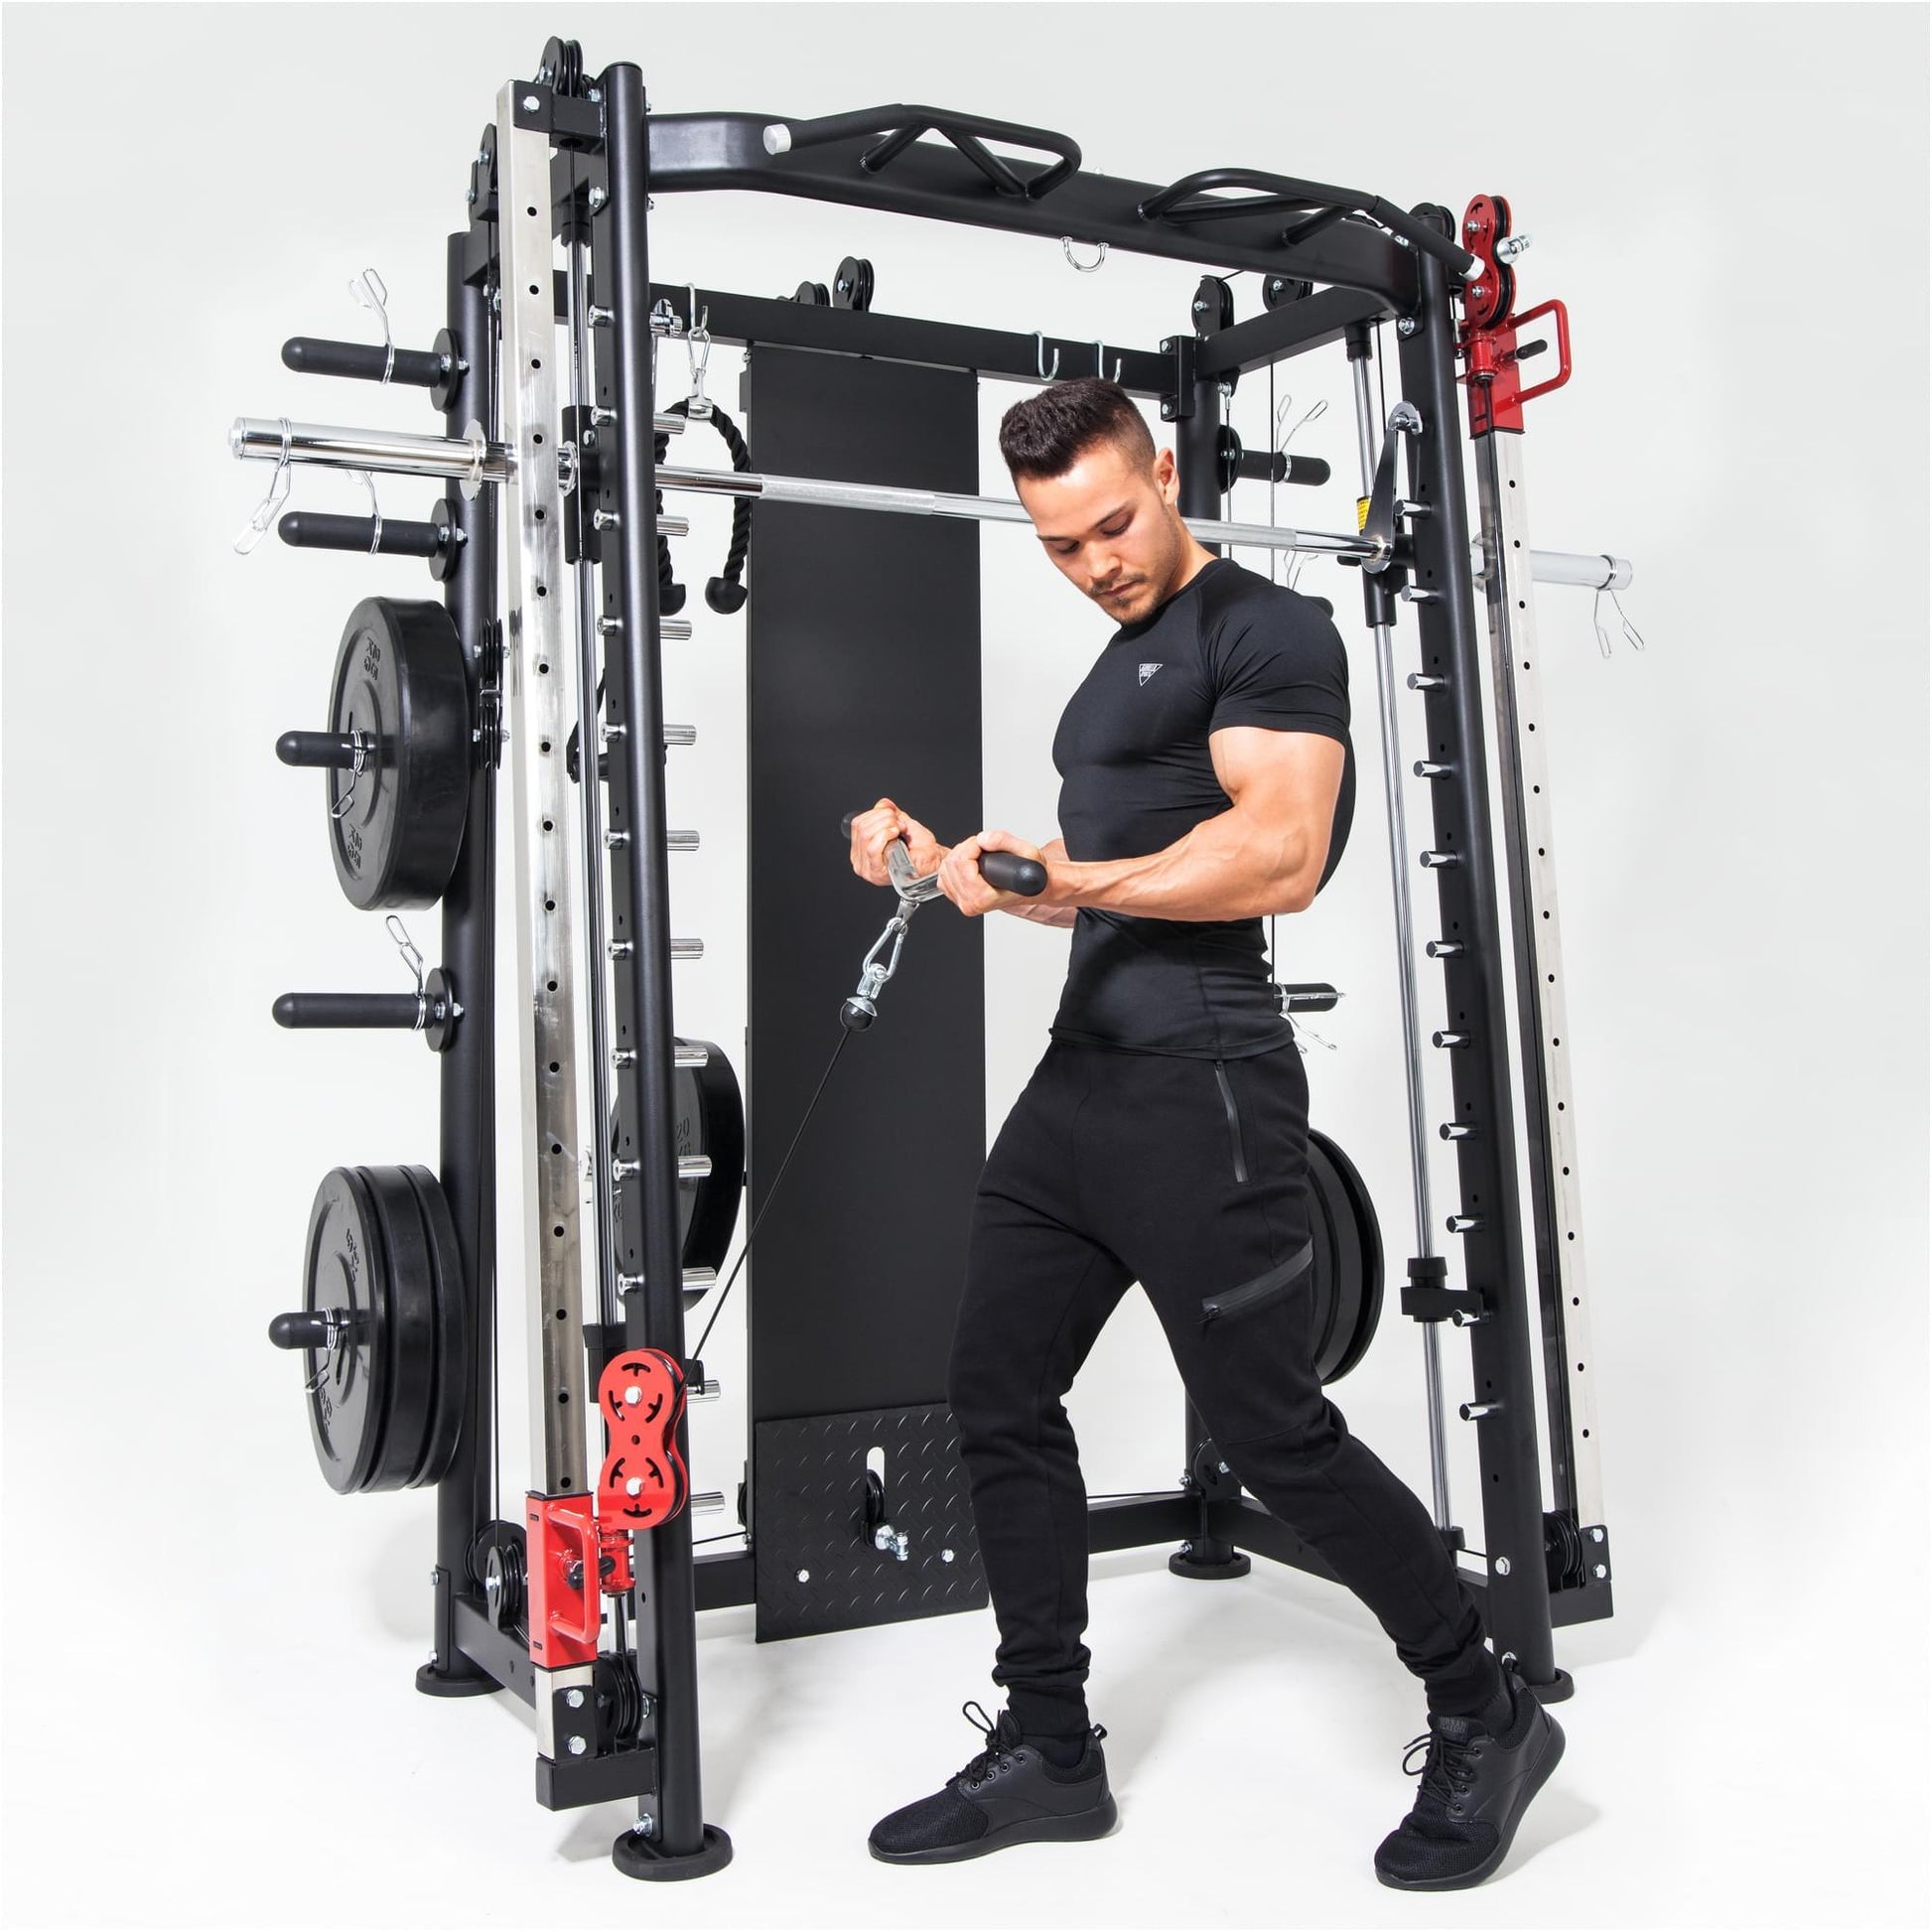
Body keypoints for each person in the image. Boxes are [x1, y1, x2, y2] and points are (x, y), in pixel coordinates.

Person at [847, 379, 1563, 1887]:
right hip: (1079, 1086)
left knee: (1271, 1434)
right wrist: (950, 863)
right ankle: (1051, 1745)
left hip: (1205, 1086)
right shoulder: (1118, 664)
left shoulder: (1267, 630)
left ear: (1164, 473)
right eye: (1059, 545)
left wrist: (1068, 879)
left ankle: (1485, 1706)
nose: (1094, 561)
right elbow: (1102, 872)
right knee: (994, 1388)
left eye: (1112, 523)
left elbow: (1280, 852)